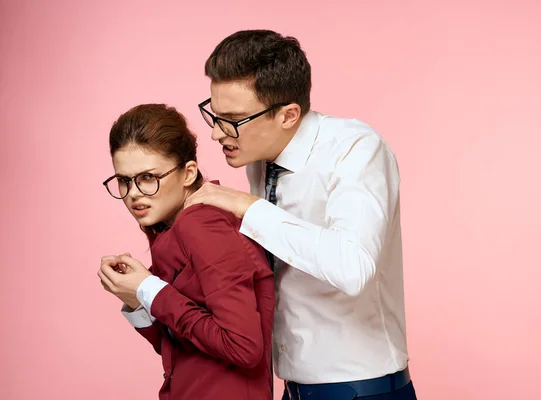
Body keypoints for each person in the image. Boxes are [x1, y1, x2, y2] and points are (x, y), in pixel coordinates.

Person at [186, 30, 418, 400]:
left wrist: (249, 208)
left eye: (232, 119)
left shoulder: (355, 149)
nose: (216, 133)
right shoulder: (261, 162)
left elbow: (352, 265)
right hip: (293, 389)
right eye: (214, 115)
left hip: (361, 391)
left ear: (288, 115)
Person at [97, 103, 275, 400]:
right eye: (124, 181)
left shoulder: (203, 224)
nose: (135, 193)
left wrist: (149, 289)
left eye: (148, 177)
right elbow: (182, 348)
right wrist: (137, 299)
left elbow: (243, 348)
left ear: (189, 173)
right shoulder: (170, 228)